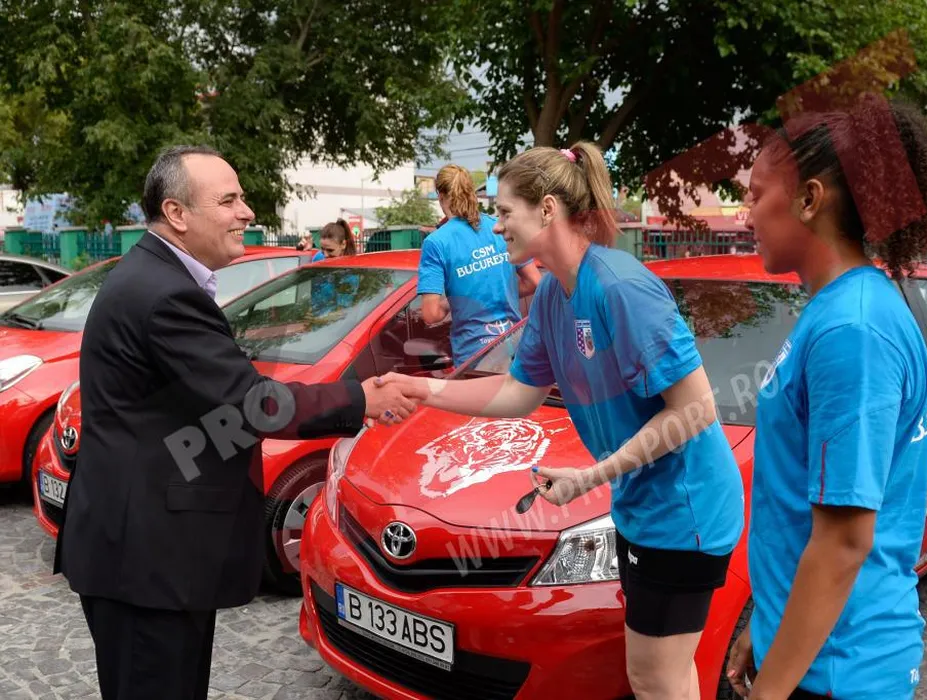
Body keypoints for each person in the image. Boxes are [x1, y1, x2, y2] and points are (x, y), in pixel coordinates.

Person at [54, 145, 424, 700]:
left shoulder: (154, 275)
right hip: (146, 560)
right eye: (228, 200)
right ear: (177, 213)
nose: (246, 212)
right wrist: (360, 398)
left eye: (242, 198)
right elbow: (252, 404)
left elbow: (205, 410)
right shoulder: (164, 292)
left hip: (148, 551)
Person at [380, 142, 744, 700]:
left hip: (685, 511)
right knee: (667, 673)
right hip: (644, 507)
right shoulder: (552, 291)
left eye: (505, 212)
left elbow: (696, 409)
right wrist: (422, 389)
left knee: (653, 677)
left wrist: (591, 477)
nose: (495, 226)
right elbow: (517, 392)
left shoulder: (620, 287)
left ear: (547, 209)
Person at [725, 97, 927, 699]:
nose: (746, 216)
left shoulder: (853, 330)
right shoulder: (839, 311)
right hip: (817, 654)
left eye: (756, 195)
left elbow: (844, 543)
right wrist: (766, 628)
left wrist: (771, 689)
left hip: (840, 670)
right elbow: (803, 512)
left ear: (809, 199)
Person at [417, 163, 542, 365]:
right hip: (515, 346)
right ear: (471, 191)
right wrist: (499, 292)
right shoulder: (498, 227)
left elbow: (431, 314)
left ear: (440, 196)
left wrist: (452, 303)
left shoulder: (436, 242)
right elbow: (534, 281)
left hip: (476, 356)